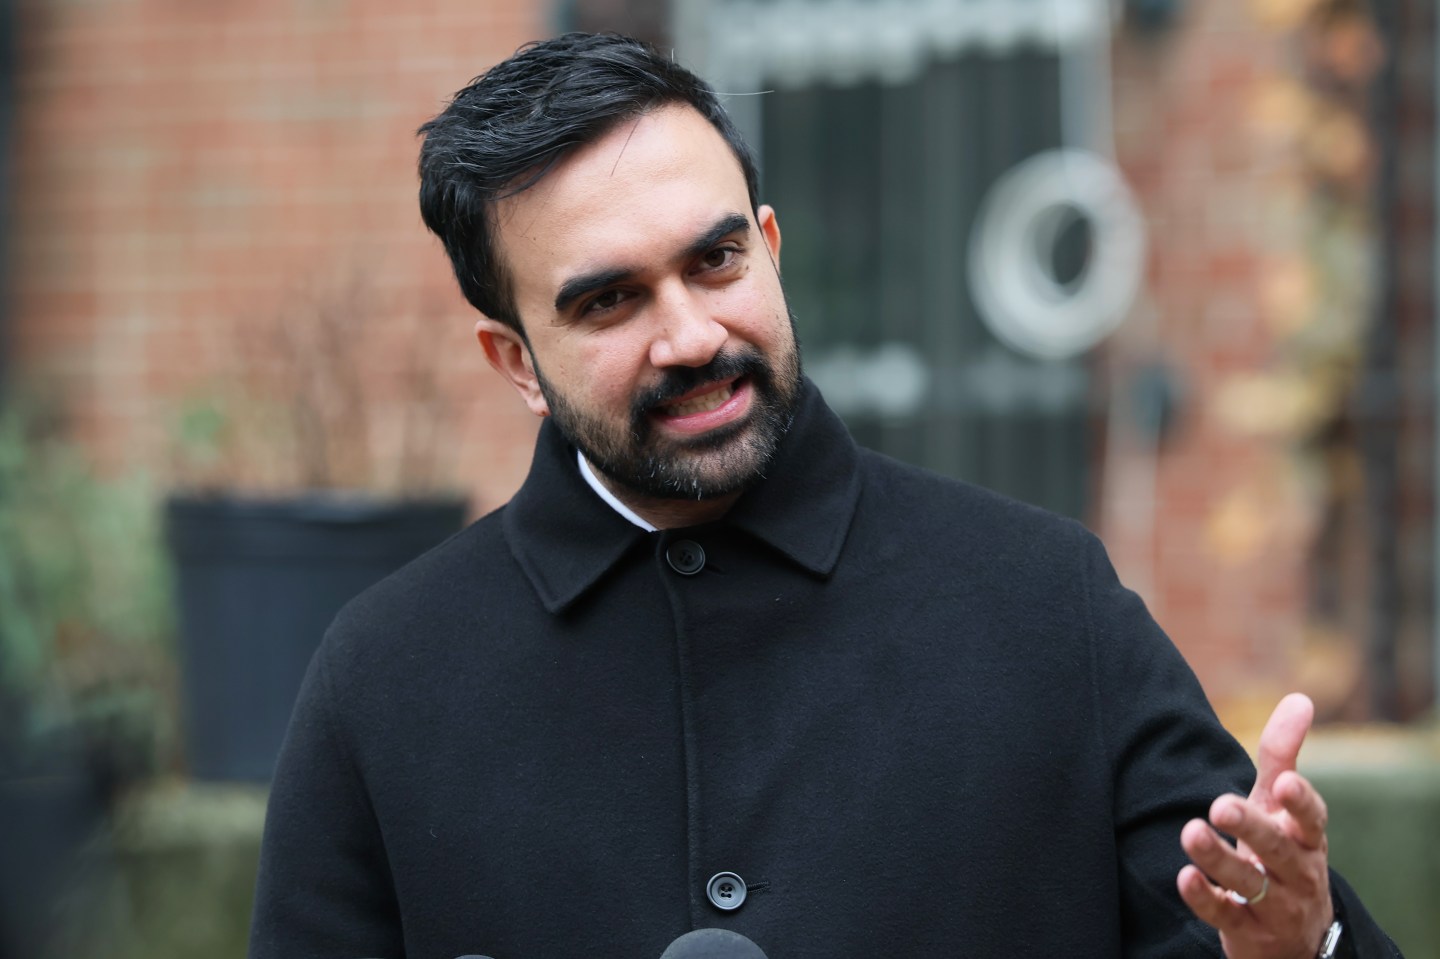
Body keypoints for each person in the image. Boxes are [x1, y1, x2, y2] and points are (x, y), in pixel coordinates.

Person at [248, 33, 1402, 959]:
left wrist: (1302, 944)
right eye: (609, 303)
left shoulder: (1045, 606)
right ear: (515, 363)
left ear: (770, 244)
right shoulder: (384, 677)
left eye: (715, 262)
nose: (692, 334)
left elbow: (1266, 929)